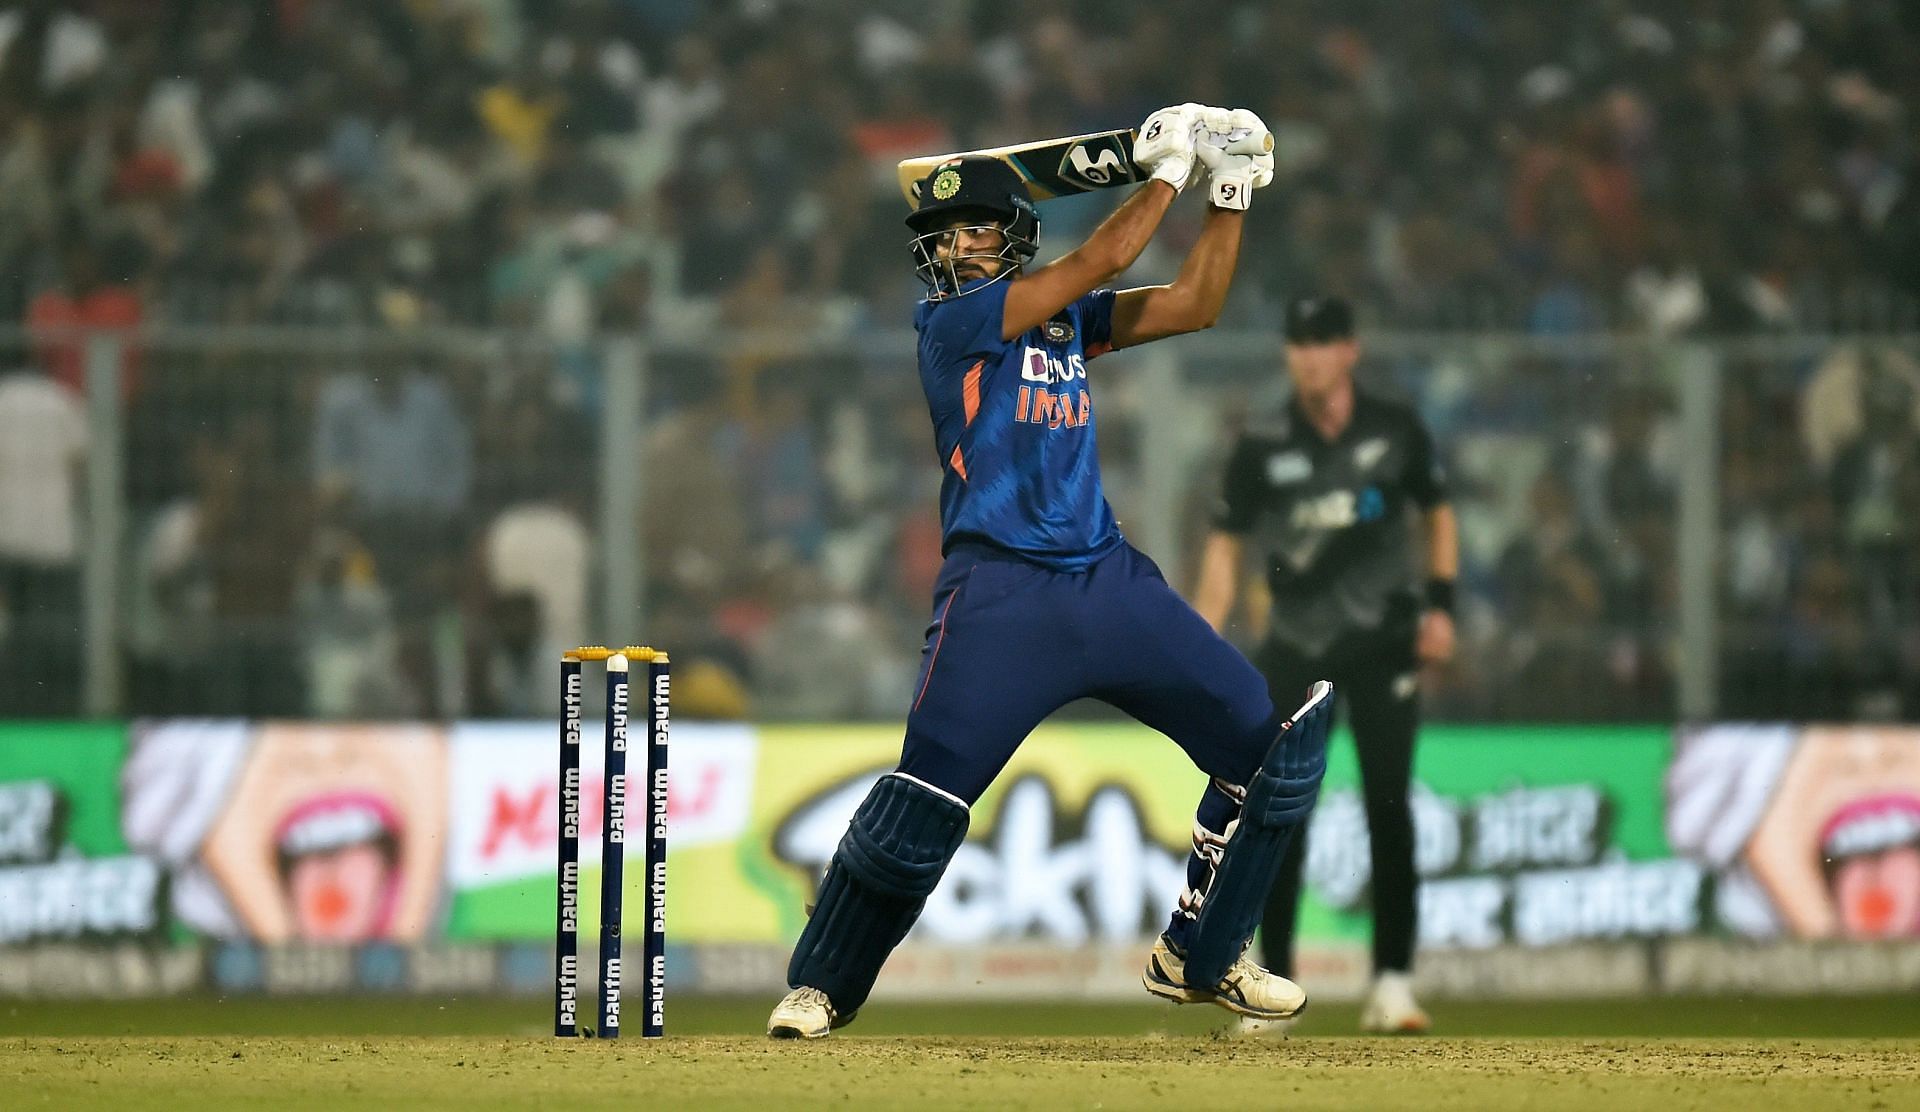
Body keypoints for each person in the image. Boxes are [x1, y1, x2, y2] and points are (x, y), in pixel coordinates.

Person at [767, 104, 1335, 1039]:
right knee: (926, 798)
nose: (953, 245)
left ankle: (1203, 951)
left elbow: (1195, 304)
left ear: (1014, 236)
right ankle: (821, 986)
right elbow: (1103, 260)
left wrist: (1227, 192)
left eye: (973, 228)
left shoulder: (1064, 319)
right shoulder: (950, 325)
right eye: (941, 234)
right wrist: (1164, 177)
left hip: (1106, 582)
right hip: (1000, 594)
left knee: (1256, 740)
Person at [1191, 295, 1458, 1034]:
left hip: (1383, 644)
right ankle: (1272, 992)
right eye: (1298, 343)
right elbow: (1225, 544)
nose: (1309, 356)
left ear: (1351, 349)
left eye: (1323, 341)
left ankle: (1394, 984)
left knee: (1389, 809)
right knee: (1279, 822)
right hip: (1297, 652)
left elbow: (1438, 511)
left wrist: (1442, 606)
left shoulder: (1395, 428)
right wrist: (1200, 643)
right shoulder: (1263, 441)